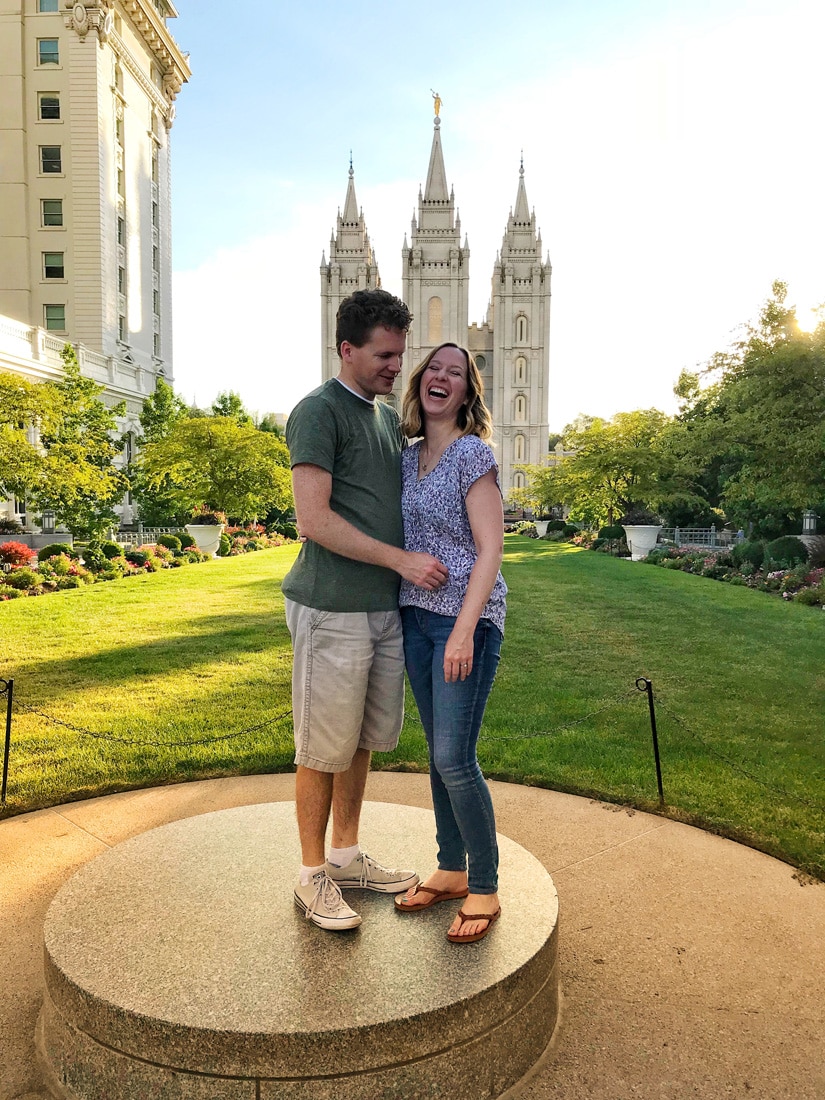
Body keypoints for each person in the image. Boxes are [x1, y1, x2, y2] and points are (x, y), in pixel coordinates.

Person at [283, 288, 448, 932]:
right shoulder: (318, 413)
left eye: (399, 355)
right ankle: (311, 875)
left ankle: (347, 857)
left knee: (358, 744)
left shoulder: (382, 418)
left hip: (382, 612)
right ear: (346, 349)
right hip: (332, 609)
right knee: (321, 749)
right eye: (383, 355)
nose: (393, 367)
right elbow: (313, 519)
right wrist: (401, 562)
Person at [394, 343, 507, 944]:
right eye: (434, 369)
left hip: (465, 623)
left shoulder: (472, 455)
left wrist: (464, 629)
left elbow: (491, 548)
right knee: (439, 757)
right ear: (420, 383)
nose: (442, 378)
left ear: (467, 392)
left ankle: (484, 887)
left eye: (455, 373)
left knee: (455, 759)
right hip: (416, 620)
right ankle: (451, 867)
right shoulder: (408, 457)